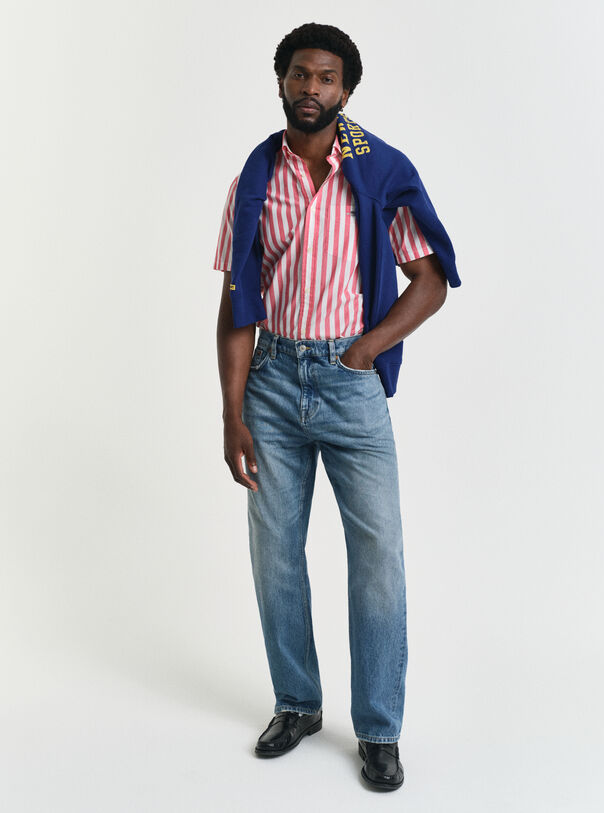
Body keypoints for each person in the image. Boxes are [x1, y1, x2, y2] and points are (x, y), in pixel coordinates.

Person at [214, 22, 460, 792]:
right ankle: (297, 703)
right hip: (272, 381)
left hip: (351, 387)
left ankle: (379, 728)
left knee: (378, 558)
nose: (311, 88)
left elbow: (429, 280)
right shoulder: (256, 175)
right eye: (300, 74)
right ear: (281, 82)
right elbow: (235, 303)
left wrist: (363, 351)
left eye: (326, 77)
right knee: (276, 555)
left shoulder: (379, 170)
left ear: (345, 90)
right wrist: (231, 411)